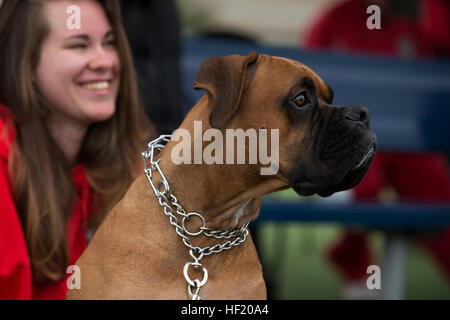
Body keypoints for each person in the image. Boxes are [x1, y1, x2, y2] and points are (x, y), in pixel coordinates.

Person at [0, 0, 155, 299]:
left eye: (109, 43)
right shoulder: (5, 164)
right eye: (78, 45)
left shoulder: (132, 164)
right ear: (25, 62)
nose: (105, 61)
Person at [303, 0, 450, 298]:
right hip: (355, 137)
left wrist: (427, 12)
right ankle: (356, 270)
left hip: (412, 145)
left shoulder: (424, 14)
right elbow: (307, 81)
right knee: (361, 185)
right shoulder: (338, 18)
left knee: (439, 198)